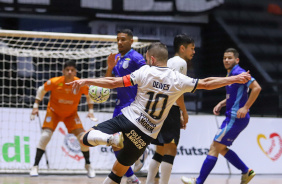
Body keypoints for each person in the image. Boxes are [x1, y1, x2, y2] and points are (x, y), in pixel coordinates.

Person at [67, 42, 251, 184]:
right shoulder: (178, 79)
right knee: (117, 173)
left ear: (152, 59)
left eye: (147, 58)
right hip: (146, 133)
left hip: (129, 120)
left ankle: (110, 140)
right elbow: (206, 83)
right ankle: (115, 142)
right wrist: (234, 78)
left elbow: (114, 83)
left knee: (85, 137)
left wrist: (86, 80)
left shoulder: (145, 71)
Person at [181, 48, 261, 184]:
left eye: (230, 58)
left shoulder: (238, 72)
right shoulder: (231, 73)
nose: (226, 60)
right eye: (224, 58)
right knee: (222, 148)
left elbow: (257, 88)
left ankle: (198, 181)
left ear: (237, 60)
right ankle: (246, 171)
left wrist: (246, 107)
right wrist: (222, 103)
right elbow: (235, 95)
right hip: (233, 117)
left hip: (236, 118)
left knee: (214, 147)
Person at [29, 60, 98, 178]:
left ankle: (88, 165)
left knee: (83, 137)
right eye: (67, 70)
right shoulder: (56, 82)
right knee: (45, 136)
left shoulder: (80, 83)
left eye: (72, 70)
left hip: (71, 114)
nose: (70, 72)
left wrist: (90, 111)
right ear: (63, 71)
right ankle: (35, 166)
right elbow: (41, 90)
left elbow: (89, 95)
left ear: (75, 71)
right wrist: (35, 107)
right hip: (54, 112)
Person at [146, 34, 193, 184]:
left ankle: (149, 182)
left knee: (160, 150)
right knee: (171, 149)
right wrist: (184, 112)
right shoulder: (181, 63)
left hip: (157, 108)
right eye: (192, 48)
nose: (194, 51)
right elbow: (177, 90)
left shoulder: (168, 61)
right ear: (182, 48)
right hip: (169, 109)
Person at [105, 29, 146, 184]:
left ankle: (141, 152)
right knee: (114, 143)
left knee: (126, 141)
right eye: (118, 40)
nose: (120, 42)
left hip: (133, 104)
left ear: (131, 41)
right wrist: (109, 67)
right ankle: (130, 177)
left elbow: (147, 75)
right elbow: (108, 83)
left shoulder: (136, 57)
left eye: (123, 39)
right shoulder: (115, 58)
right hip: (119, 105)